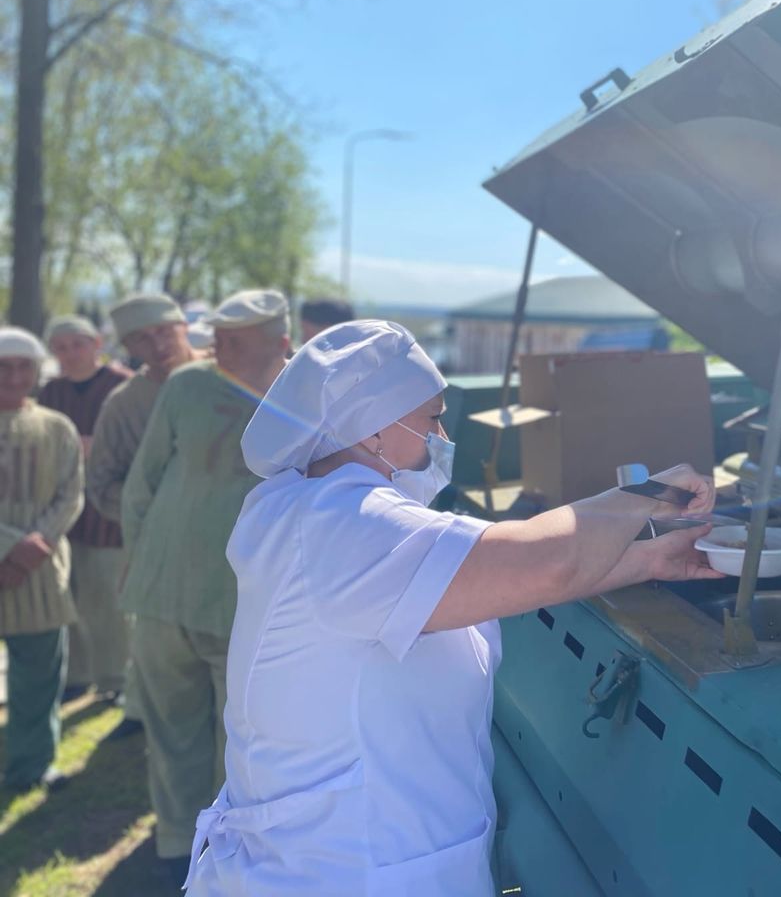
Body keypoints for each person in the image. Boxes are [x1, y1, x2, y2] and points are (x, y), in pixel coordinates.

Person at [183, 320, 720, 895]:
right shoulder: (344, 527)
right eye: (433, 417)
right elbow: (545, 562)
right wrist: (647, 493)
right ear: (373, 429)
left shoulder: (313, 513)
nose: (442, 435)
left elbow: (495, 582)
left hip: (354, 851)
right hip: (349, 868)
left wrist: (652, 560)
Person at [121, 289, 290, 887]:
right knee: (171, 727)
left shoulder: (308, 400)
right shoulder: (186, 385)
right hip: (164, 593)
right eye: (216, 337)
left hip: (241, 605)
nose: (217, 348)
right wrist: (135, 567)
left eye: (235, 342)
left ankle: (222, 848)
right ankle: (174, 841)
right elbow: (142, 483)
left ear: (281, 343)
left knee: (237, 740)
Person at [85, 293, 199, 742]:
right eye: (141, 338)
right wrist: (150, 513)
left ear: (183, 327)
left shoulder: (230, 378)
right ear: (128, 346)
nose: (157, 344)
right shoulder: (123, 403)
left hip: (235, 544)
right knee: (162, 654)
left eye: (164, 331)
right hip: (160, 552)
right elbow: (101, 483)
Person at [0, 328, 84, 792]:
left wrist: (34, 547)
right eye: (3, 367)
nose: (13, 377)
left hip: (41, 571)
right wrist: (10, 546)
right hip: (23, 559)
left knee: (38, 678)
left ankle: (31, 766)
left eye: (22, 368)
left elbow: (71, 495)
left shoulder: (57, 426)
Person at [36, 315, 132, 704]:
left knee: (107, 599)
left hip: (107, 512)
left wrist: (98, 447)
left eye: (77, 344)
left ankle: (115, 678)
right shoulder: (50, 393)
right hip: (60, 510)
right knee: (66, 597)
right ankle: (75, 675)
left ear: (96, 344)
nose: (70, 354)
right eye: (60, 347)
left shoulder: (124, 386)